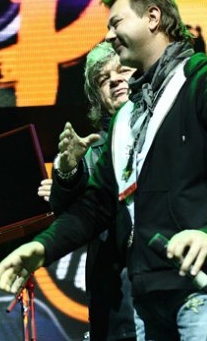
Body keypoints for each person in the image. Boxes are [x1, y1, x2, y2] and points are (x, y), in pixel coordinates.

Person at [0, 0, 207, 341]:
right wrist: (42, 247)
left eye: (117, 23)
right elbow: (96, 206)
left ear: (153, 18)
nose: (109, 35)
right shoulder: (126, 118)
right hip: (149, 299)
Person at [38, 42, 136, 341]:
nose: (114, 80)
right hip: (118, 303)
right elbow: (66, 207)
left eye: (122, 71)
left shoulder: (169, 130)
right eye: (103, 79)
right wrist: (67, 169)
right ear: (97, 97)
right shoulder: (93, 152)